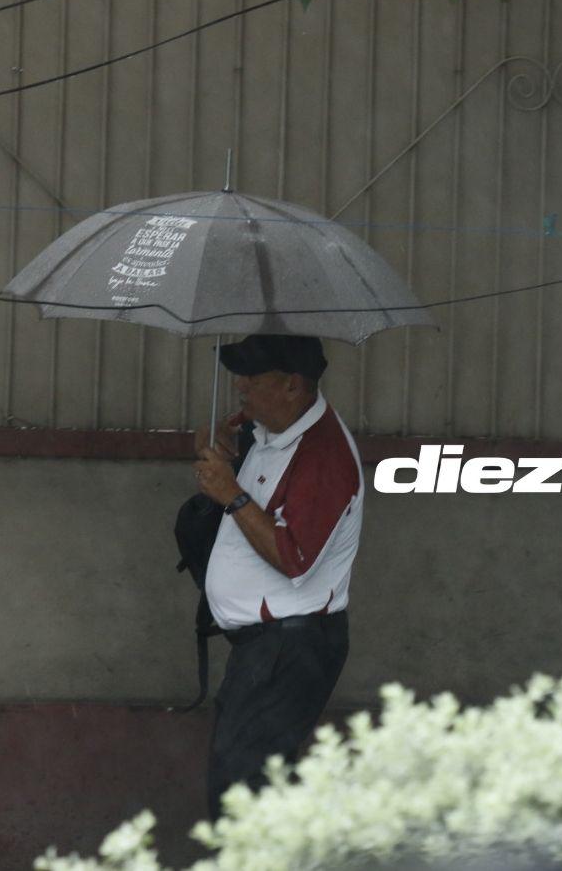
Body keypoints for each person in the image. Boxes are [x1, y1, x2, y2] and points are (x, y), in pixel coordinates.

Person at [192, 334, 363, 821]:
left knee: (244, 796)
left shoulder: (323, 455)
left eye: (253, 378)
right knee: (244, 785)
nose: (240, 387)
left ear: (292, 385)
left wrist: (232, 494)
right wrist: (224, 453)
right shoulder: (267, 426)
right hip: (264, 648)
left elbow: (295, 557)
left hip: (290, 647)